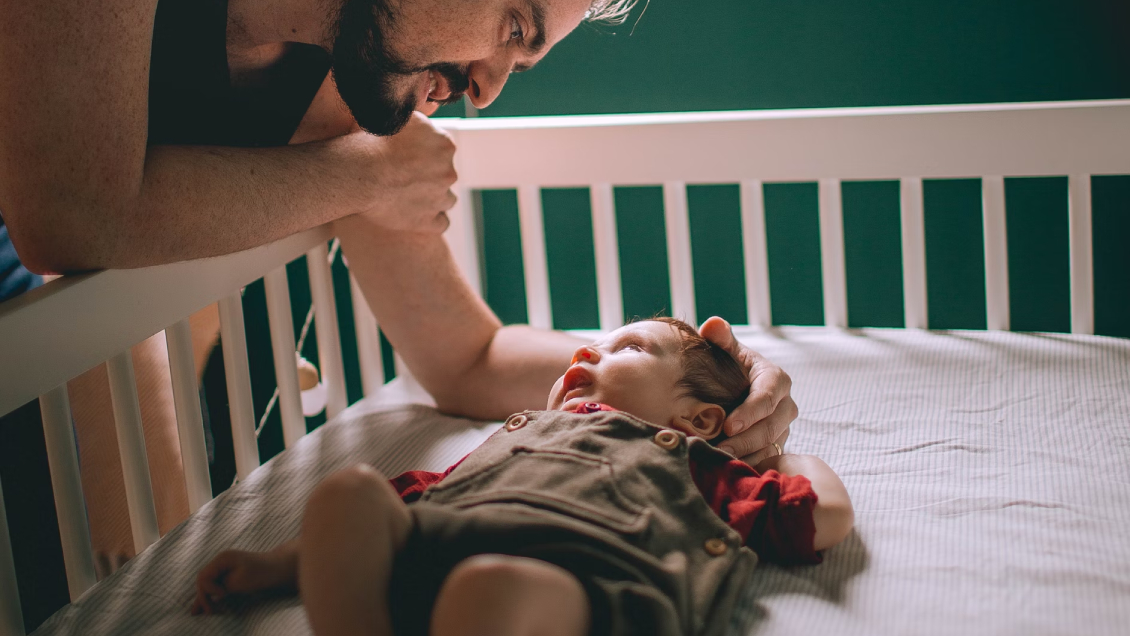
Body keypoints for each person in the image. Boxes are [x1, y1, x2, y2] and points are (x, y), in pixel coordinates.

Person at [191, 318, 854, 636]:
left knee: (493, 589)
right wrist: (281, 565)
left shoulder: (693, 462)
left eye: (626, 348)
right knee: (349, 491)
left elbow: (820, 515)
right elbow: (415, 498)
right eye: (590, 346)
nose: (586, 351)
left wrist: (768, 457)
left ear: (698, 418)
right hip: (437, 545)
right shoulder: (518, 431)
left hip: (583, 587)